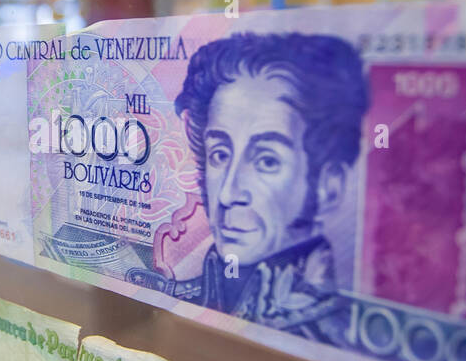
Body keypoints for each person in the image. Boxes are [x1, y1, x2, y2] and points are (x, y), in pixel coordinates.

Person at [152, 32, 368, 337]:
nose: (227, 194)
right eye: (220, 154)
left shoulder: (343, 342)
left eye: (266, 161)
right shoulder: (180, 303)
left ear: (327, 187)